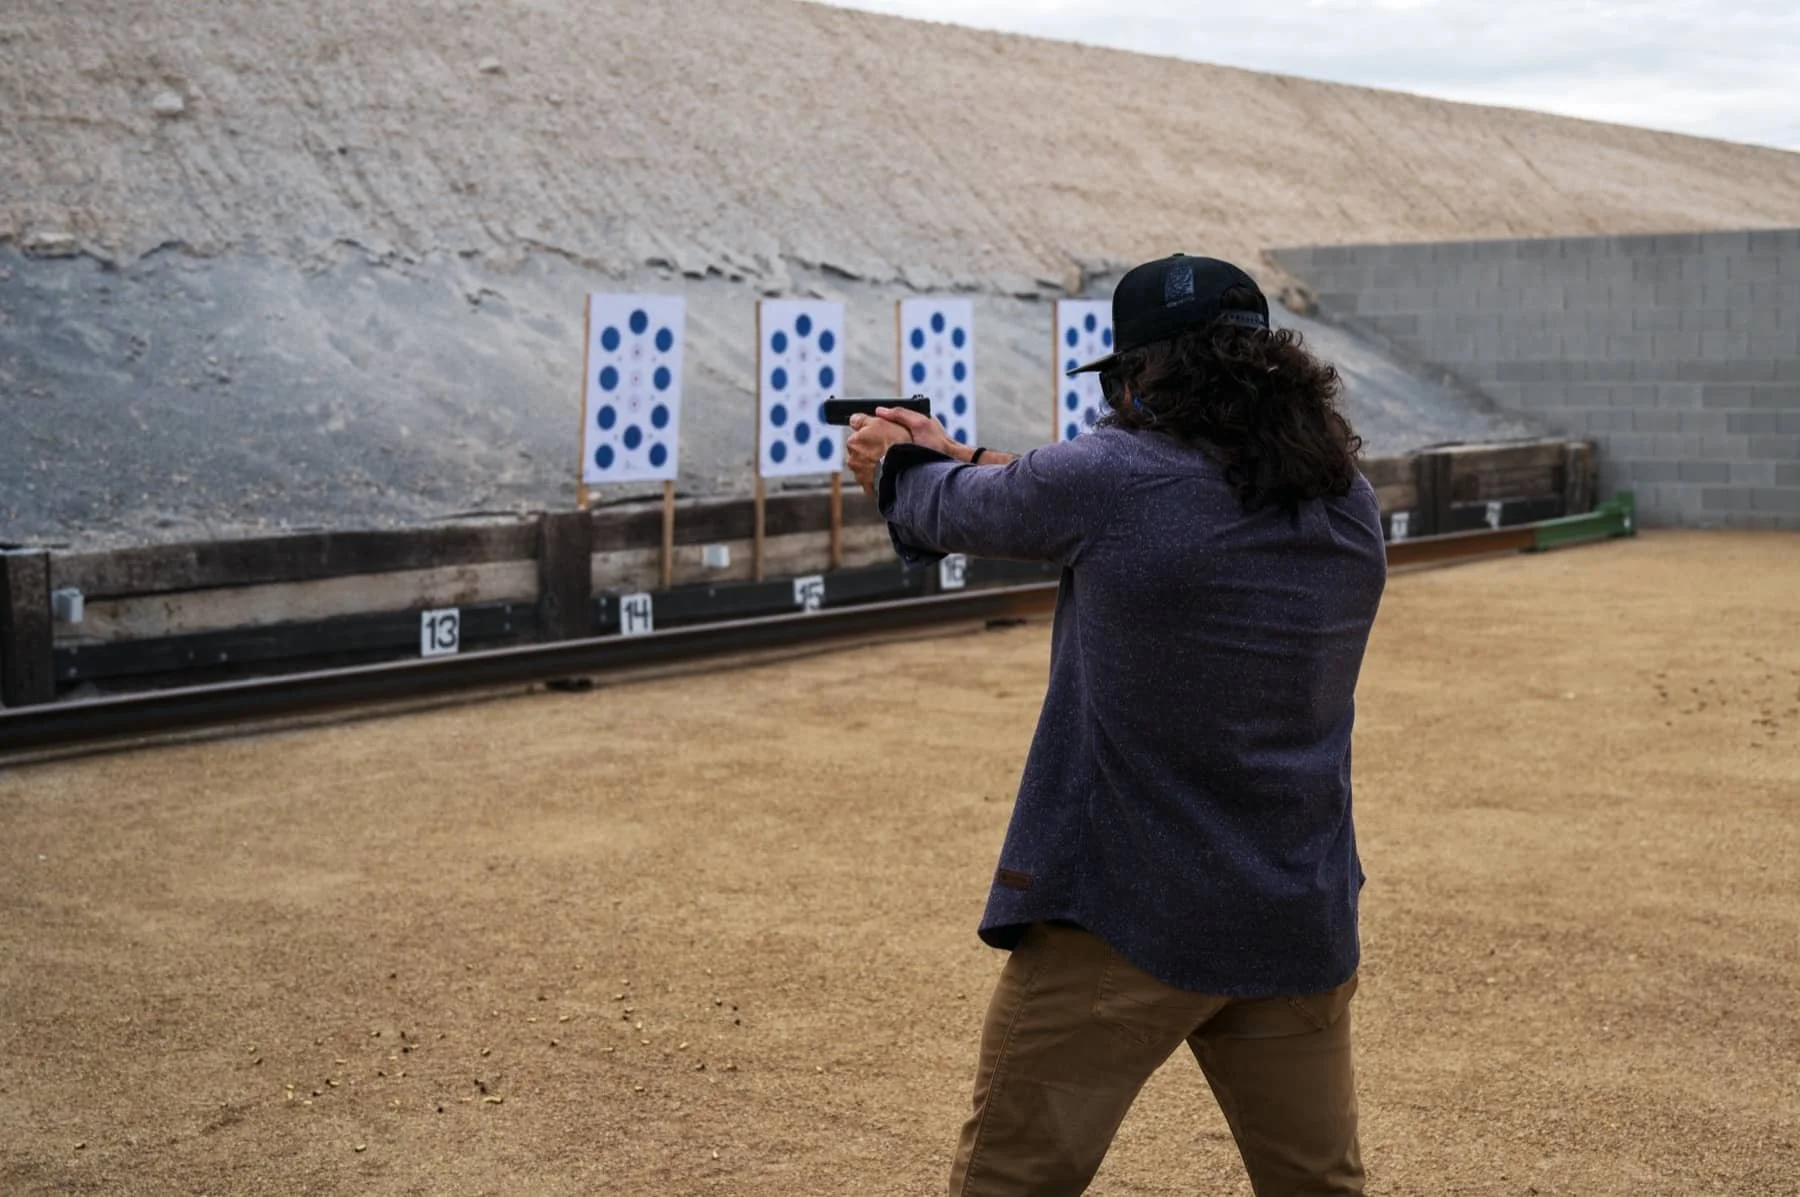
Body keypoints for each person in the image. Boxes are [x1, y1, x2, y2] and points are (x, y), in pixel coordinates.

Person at [844, 254, 1388, 1197]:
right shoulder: (1344, 494)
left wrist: (897, 465)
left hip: (1123, 911)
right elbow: (1100, 489)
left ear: (1141, 377)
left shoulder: (1111, 481)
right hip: (1291, 908)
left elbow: (958, 508)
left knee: (1010, 1183)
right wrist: (964, 452)